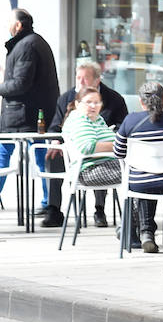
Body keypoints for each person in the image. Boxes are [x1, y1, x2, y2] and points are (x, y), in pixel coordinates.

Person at [0, 9, 60, 216]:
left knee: (2, 155)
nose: (7, 26)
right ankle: (49, 202)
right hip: (30, 113)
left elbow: (21, 83)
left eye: (9, 22)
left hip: (22, 115)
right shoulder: (33, 42)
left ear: (19, 25)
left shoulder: (26, 45)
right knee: (40, 156)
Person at [45, 62, 128, 227]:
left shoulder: (114, 99)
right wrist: (56, 141)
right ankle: (54, 209)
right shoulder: (66, 99)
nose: (81, 82)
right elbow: (55, 126)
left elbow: (122, 127)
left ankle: (99, 209)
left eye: (85, 78)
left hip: (103, 154)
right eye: (78, 78)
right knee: (53, 158)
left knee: (103, 160)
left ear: (97, 81)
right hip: (78, 151)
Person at [113, 81, 163, 254]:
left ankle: (146, 233)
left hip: (142, 183)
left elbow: (118, 152)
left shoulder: (130, 121)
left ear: (141, 102)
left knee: (146, 174)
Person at [60, 86, 120, 201]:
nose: (93, 106)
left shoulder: (97, 119)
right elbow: (88, 146)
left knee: (140, 171)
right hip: (88, 171)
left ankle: (136, 217)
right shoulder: (79, 118)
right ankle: (136, 218)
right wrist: (118, 146)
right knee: (138, 174)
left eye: (97, 103)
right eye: (88, 102)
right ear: (77, 104)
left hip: (105, 165)